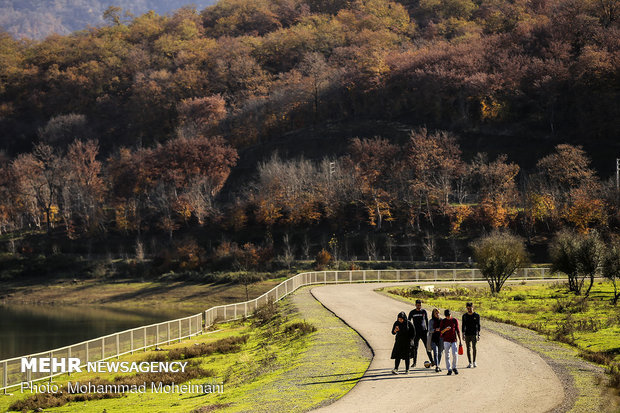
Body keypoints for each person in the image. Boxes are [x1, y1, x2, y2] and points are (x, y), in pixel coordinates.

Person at [408, 299, 433, 368]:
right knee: (415, 348)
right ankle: (414, 363)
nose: (419, 306)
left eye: (420, 305)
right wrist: (409, 331)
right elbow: (408, 322)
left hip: (423, 332)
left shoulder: (424, 311)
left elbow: (427, 321)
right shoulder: (412, 312)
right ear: (415, 305)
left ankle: (432, 361)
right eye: (418, 305)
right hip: (415, 333)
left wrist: (428, 330)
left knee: (427, 347)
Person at [440, 309, 462, 375]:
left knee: (455, 354)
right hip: (446, 340)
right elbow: (441, 332)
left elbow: (458, 330)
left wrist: (460, 340)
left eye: (449, 315)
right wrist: (446, 329)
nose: (448, 317)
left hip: (453, 340)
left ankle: (454, 367)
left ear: (451, 314)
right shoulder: (443, 321)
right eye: (446, 316)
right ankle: (449, 369)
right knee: (447, 355)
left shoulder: (454, 320)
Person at [462, 302, 481, 368]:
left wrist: (478, 334)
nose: (469, 309)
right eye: (468, 308)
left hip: (474, 334)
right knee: (468, 348)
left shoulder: (476, 315)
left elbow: (478, 325)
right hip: (467, 334)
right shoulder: (464, 316)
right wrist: (463, 334)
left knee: (474, 347)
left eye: (470, 308)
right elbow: (463, 325)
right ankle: (470, 362)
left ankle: (474, 361)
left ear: (473, 307)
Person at [426, 308, 443, 372]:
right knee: (435, 352)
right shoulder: (431, 321)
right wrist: (435, 330)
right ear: (433, 314)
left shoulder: (442, 320)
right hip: (433, 339)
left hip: (441, 339)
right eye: (436, 313)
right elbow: (429, 330)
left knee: (440, 353)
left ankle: (438, 364)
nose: (437, 314)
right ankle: (437, 366)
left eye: (438, 313)